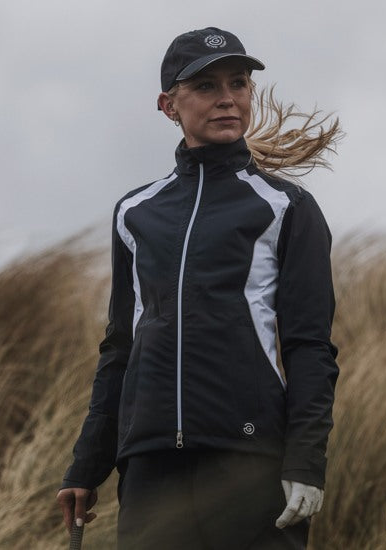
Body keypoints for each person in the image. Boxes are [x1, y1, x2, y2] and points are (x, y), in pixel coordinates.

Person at [57, 26, 341, 549]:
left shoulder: (287, 207)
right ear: (169, 104)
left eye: (238, 83)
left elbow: (310, 346)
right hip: (149, 465)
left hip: (250, 460)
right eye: (207, 87)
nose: (228, 98)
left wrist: (306, 460)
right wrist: (86, 464)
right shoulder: (135, 211)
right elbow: (120, 346)